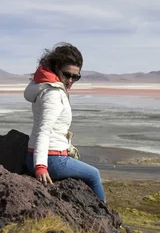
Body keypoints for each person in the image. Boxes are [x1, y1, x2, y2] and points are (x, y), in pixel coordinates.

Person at [24, 43, 106, 201]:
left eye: (76, 77)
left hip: (36, 155)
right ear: (56, 68)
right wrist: (40, 167)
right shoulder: (53, 95)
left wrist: (66, 146)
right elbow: (44, 130)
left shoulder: (46, 88)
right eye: (67, 74)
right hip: (52, 160)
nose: (70, 80)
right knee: (94, 175)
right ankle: (107, 219)